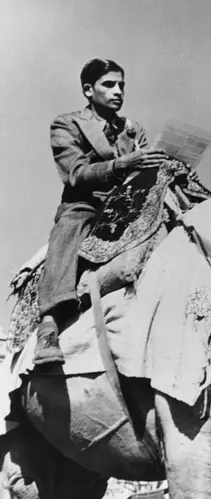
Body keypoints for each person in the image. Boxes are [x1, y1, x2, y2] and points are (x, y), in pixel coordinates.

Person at [34, 58, 169, 366]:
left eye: (121, 85)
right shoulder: (66, 124)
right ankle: (50, 323)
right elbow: (75, 173)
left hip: (128, 204)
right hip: (87, 204)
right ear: (88, 90)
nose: (118, 91)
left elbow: (142, 173)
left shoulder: (133, 130)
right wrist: (121, 164)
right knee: (69, 227)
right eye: (109, 84)